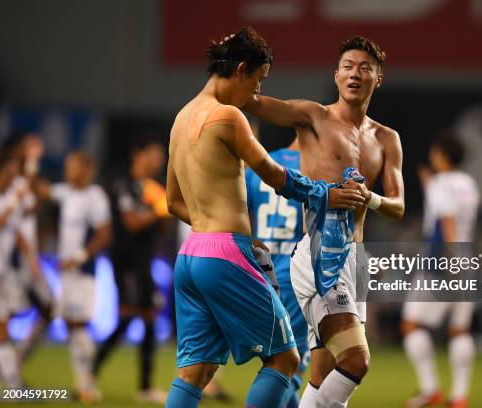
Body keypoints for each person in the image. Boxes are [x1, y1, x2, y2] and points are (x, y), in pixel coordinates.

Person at [164, 26, 351, 408]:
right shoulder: (229, 117)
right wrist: (325, 193)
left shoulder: (181, 119)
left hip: (190, 256)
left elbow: (172, 202)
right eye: (257, 82)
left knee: (194, 372)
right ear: (241, 69)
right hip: (224, 257)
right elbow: (275, 175)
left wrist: (215, 232)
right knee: (285, 358)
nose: (256, 94)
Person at [243, 35, 405, 407]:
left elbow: (398, 207)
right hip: (319, 258)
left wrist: (370, 197)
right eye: (347, 66)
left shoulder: (387, 138)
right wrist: (236, 69)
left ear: (378, 77)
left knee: (322, 376)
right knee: (356, 360)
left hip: (356, 261)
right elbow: (250, 100)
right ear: (336, 76)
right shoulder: (312, 116)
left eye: (365, 68)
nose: (355, 74)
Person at [401, 134, 479, 408]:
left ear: (442, 156)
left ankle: (430, 388)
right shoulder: (468, 183)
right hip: (466, 258)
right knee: (460, 330)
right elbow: (451, 210)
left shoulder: (439, 184)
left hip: (442, 261)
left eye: (435, 153)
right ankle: (459, 396)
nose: (433, 157)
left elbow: (446, 222)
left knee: (411, 324)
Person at [92, 139, 168, 403]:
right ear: (138, 154)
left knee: (148, 315)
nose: (158, 160)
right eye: (154, 154)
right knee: (127, 317)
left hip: (145, 262)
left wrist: (162, 213)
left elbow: (161, 227)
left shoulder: (153, 189)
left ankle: (145, 387)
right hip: (126, 263)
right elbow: (132, 223)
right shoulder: (123, 186)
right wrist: (159, 211)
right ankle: (88, 373)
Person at [38, 152, 112, 403]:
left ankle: (88, 383)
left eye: (73, 166)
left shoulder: (95, 197)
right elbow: (42, 191)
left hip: (83, 271)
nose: (68, 170)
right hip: (66, 273)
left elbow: (104, 234)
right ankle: (83, 382)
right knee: (71, 324)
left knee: (79, 325)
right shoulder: (66, 193)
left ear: (86, 169)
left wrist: (79, 257)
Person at [245, 136, 308, 407]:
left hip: (261, 272)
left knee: (279, 358)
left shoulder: (261, 162)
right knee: (289, 364)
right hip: (298, 272)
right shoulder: (319, 165)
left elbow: (241, 214)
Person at [0, 152, 40, 392]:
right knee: (0, 328)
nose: (12, 180)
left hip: (0, 274)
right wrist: (14, 202)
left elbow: (17, 232)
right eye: (8, 175)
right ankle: (14, 386)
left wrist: (31, 258)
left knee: (1, 328)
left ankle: (8, 384)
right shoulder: (4, 200)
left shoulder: (5, 199)